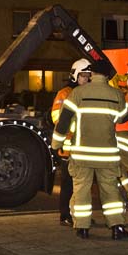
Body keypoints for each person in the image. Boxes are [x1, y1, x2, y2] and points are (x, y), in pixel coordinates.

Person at [51, 64, 128, 240]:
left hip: (82, 154)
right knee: (110, 191)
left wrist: (56, 144)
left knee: (81, 190)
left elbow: (63, 121)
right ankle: (117, 226)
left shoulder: (78, 93)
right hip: (107, 154)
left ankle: (82, 228)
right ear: (108, 76)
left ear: (92, 74)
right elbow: (125, 117)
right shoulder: (116, 95)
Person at [51, 59, 93, 227]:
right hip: (68, 148)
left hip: (85, 147)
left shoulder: (89, 93)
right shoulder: (64, 93)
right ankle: (65, 214)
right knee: (68, 185)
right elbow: (56, 118)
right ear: (75, 75)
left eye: (89, 76)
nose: (86, 79)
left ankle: (80, 215)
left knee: (84, 186)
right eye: (83, 76)